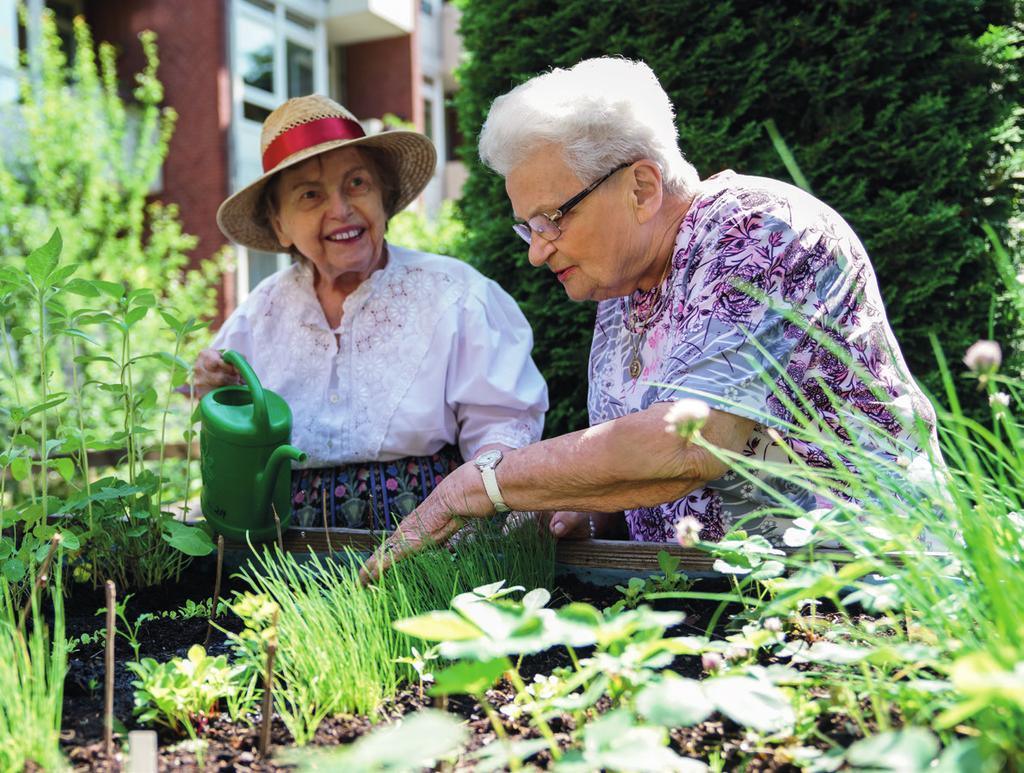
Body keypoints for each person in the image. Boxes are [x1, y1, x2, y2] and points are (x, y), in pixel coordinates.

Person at [361, 57, 941, 580]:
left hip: (864, 599)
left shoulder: (757, 231)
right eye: (527, 227)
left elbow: (690, 444)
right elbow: (648, 471)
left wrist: (483, 483)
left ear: (641, 188)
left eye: (551, 219)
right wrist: (589, 509)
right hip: (718, 606)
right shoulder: (622, 284)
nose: (537, 251)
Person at [195, 94, 548, 531]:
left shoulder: (457, 296)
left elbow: (504, 426)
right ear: (280, 224)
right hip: (284, 545)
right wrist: (211, 388)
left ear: (385, 197)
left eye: (357, 183)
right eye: (310, 194)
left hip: (431, 537)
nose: (340, 210)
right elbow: (223, 429)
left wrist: (481, 524)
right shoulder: (258, 315)